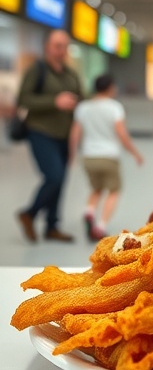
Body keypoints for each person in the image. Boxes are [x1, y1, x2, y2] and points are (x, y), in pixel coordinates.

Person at [15, 29, 83, 243]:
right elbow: (23, 99)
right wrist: (55, 101)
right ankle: (30, 213)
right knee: (54, 176)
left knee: (62, 179)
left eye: (64, 46)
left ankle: (52, 225)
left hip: (65, 134)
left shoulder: (70, 74)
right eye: (57, 45)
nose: (61, 50)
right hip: (41, 131)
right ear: (47, 47)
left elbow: (82, 97)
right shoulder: (37, 70)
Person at [69, 73, 144, 240]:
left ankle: (89, 212)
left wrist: (72, 155)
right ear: (110, 88)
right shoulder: (114, 107)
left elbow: (75, 133)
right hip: (108, 156)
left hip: (88, 156)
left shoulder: (83, 107)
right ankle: (100, 226)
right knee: (114, 190)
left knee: (96, 188)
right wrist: (135, 153)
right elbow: (121, 133)